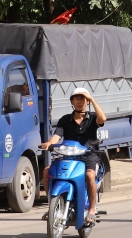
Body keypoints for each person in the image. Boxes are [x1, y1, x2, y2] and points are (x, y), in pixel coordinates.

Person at [39, 88, 106, 224]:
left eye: (83, 99)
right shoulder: (65, 119)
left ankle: (92, 209)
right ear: (72, 102)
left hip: (89, 155)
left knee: (89, 175)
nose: (79, 101)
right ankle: (52, 206)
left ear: (87, 102)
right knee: (47, 172)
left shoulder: (92, 118)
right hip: (69, 156)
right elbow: (57, 136)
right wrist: (48, 143)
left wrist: (92, 99)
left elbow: (103, 118)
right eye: (76, 99)